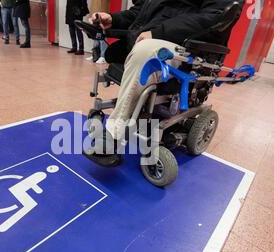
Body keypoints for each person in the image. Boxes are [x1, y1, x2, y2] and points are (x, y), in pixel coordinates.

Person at [84, 0, 244, 165]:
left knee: (145, 51)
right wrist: (112, 19)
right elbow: (140, 12)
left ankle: (112, 134)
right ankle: (131, 108)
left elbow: (215, 16)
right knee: (138, 50)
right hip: (148, 40)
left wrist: (159, 32)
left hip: (185, 49)